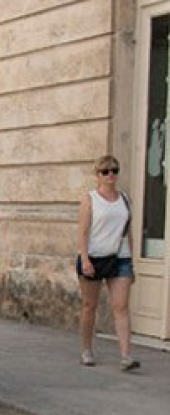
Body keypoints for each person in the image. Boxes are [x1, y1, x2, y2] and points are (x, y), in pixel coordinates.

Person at [76, 155, 138, 371]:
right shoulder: (90, 199)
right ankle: (86, 349)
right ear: (98, 176)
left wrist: (132, 262)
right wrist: (84, 258)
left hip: (120, 257)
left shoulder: (125, 199)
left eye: (115, 170)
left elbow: (127, 231)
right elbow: (83, 231)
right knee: (89, 306)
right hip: (94, 256)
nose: (111, 175)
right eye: (105, 171)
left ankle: (126, 355)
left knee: (121, 306)